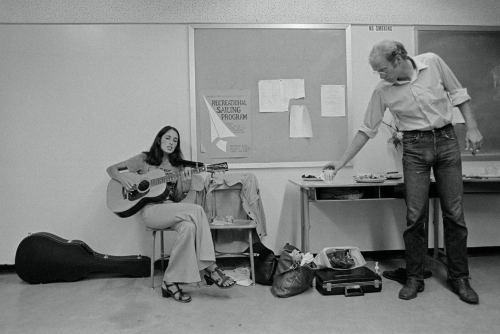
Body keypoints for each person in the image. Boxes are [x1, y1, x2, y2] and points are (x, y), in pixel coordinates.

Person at [324, 40, 483, 304]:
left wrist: (473, 127)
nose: (380, 75)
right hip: (414, 148)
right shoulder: (383, 90)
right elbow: (367, 129)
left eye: (382, 69)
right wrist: (341, 161)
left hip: (446, 141)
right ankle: (414, 278)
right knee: (414, 216)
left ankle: (460, 279)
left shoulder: (432, 62)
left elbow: (459, 95)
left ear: (398, 59)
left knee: (454, 214)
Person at [106, 125, 235, 303]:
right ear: (159, 139)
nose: (171, 142)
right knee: (196, 210)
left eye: (175, 140)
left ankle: (170, 281)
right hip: (150, 211)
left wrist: (186, 182)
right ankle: (211, 268)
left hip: (169, 208)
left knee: (189, 227)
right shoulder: (144, 159)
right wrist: (125, 179)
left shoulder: (177, 167)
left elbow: (176, 198)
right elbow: (111, 169)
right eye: (168, 138)